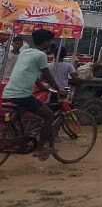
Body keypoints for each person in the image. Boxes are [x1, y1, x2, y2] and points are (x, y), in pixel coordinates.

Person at [2, 29, 57, 160]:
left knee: (23, 116)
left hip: (9, 92)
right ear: (45, 42)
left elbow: (33, 75)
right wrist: (57, 88)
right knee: (49, 115)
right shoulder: (41, 55)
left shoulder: (24, 52)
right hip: (22, 95)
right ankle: (40, 148)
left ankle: (22, 139)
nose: (50, 43)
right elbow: (47, 75)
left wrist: (42, 87)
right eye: (50, 41)